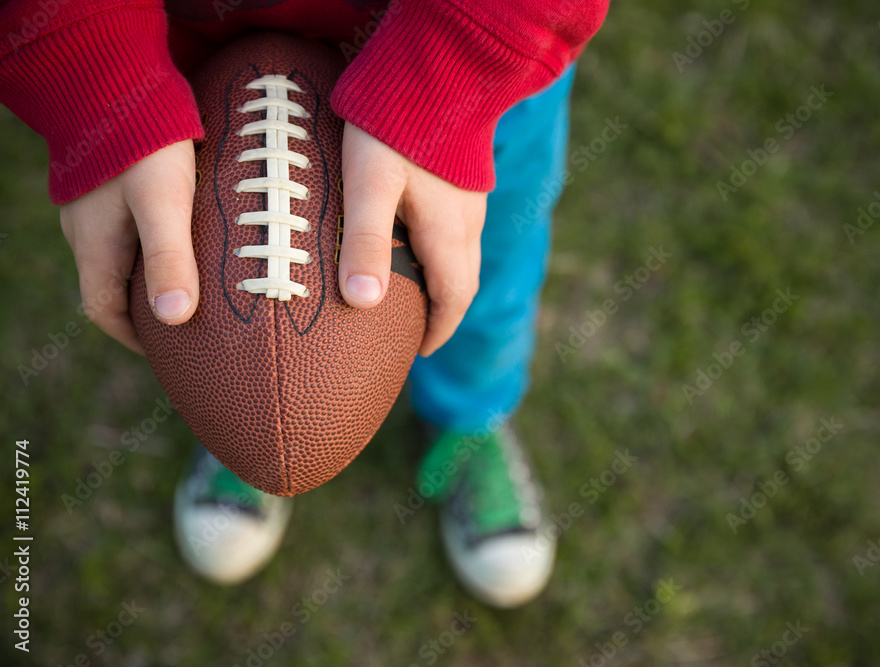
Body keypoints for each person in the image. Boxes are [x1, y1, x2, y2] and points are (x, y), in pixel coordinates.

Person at [0, 0, 608, 608]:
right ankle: (246, 424)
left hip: (482, 67)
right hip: (177, 44)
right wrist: (87, 66)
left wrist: (462, 57)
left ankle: (469, 418)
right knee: (203, 276)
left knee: (486, 267)